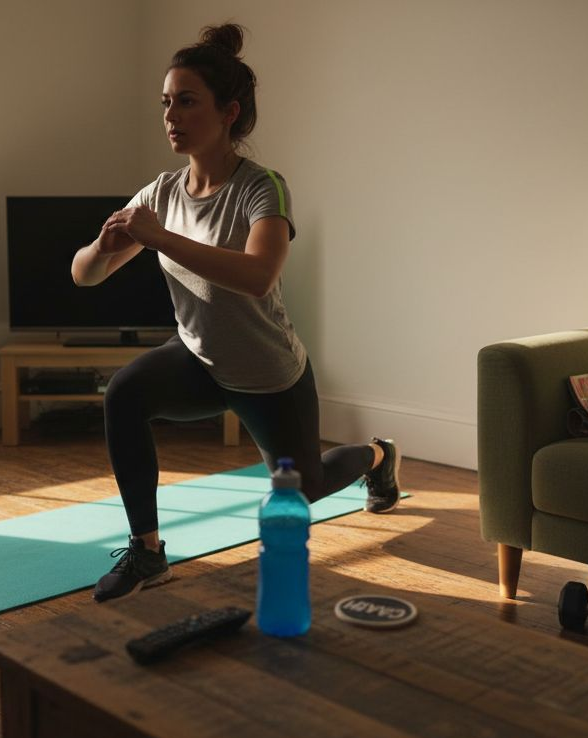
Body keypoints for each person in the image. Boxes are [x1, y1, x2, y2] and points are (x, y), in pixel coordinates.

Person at [71, 23, 401, 603]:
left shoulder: (262, 188)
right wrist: (103, 245)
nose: (172, 115)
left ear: (229, 111)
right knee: (123, 393)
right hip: (198, 358)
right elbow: (84, 275)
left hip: (268, 373)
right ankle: (148, 553)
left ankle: (379, 456)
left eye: (188, 101)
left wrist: (160, 239)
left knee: (307, 486)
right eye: (166, 103)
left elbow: (257, 276)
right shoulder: (161, 193)